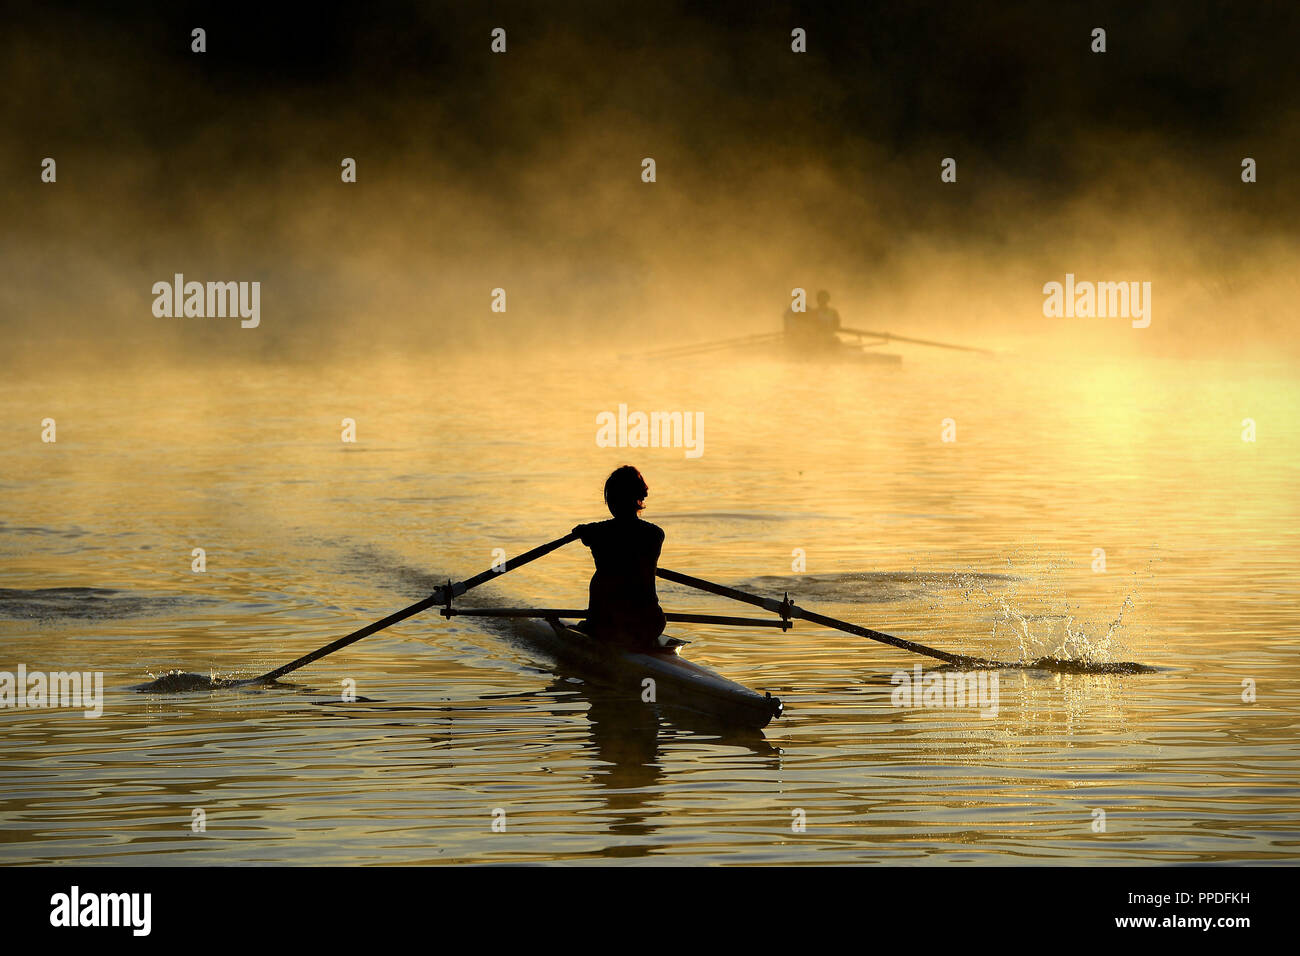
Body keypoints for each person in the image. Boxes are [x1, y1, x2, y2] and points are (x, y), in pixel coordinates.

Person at [572, 466, 668, 651]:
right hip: (651, 624)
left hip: (609, 625)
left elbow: (594, 533)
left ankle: (593, 628)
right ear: (639, 499)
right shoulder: (656, 534)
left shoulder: (596, 532)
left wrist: (582, 531)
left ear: (612, 500)